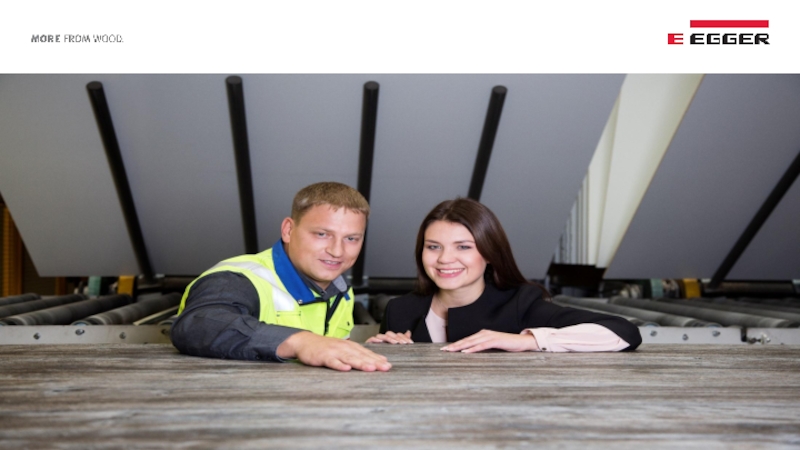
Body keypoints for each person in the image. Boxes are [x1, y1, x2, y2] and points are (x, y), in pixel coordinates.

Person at [367, 198, 642, 353]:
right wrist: (378, 350)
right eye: (433, 247)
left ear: (489, 253)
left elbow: (624, 331)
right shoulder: (399, 310)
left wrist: (527, 340)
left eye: (463, 247)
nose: (444, 259)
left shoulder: (520, 303)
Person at [172, 181, 391, 372]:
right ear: (288, 230)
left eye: (351, 239)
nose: (337, 251)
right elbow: (197, 325)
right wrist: (301, 342)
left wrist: (363, 351)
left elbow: (327, 355)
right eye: (322, 234)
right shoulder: (238, 277)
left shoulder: (341, 290)